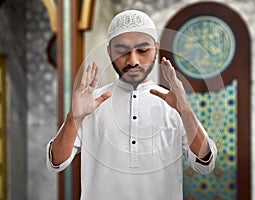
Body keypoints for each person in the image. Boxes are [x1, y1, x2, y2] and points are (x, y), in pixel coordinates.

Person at [47, 10, 217, 200]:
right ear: (109, 51)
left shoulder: (175, 103)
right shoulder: (92, 102)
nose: (133, 61)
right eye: (122, 51)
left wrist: (185, 111)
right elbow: (56, 162)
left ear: (156, 49)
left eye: (143, 50)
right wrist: (74, 118)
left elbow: (204, 164)